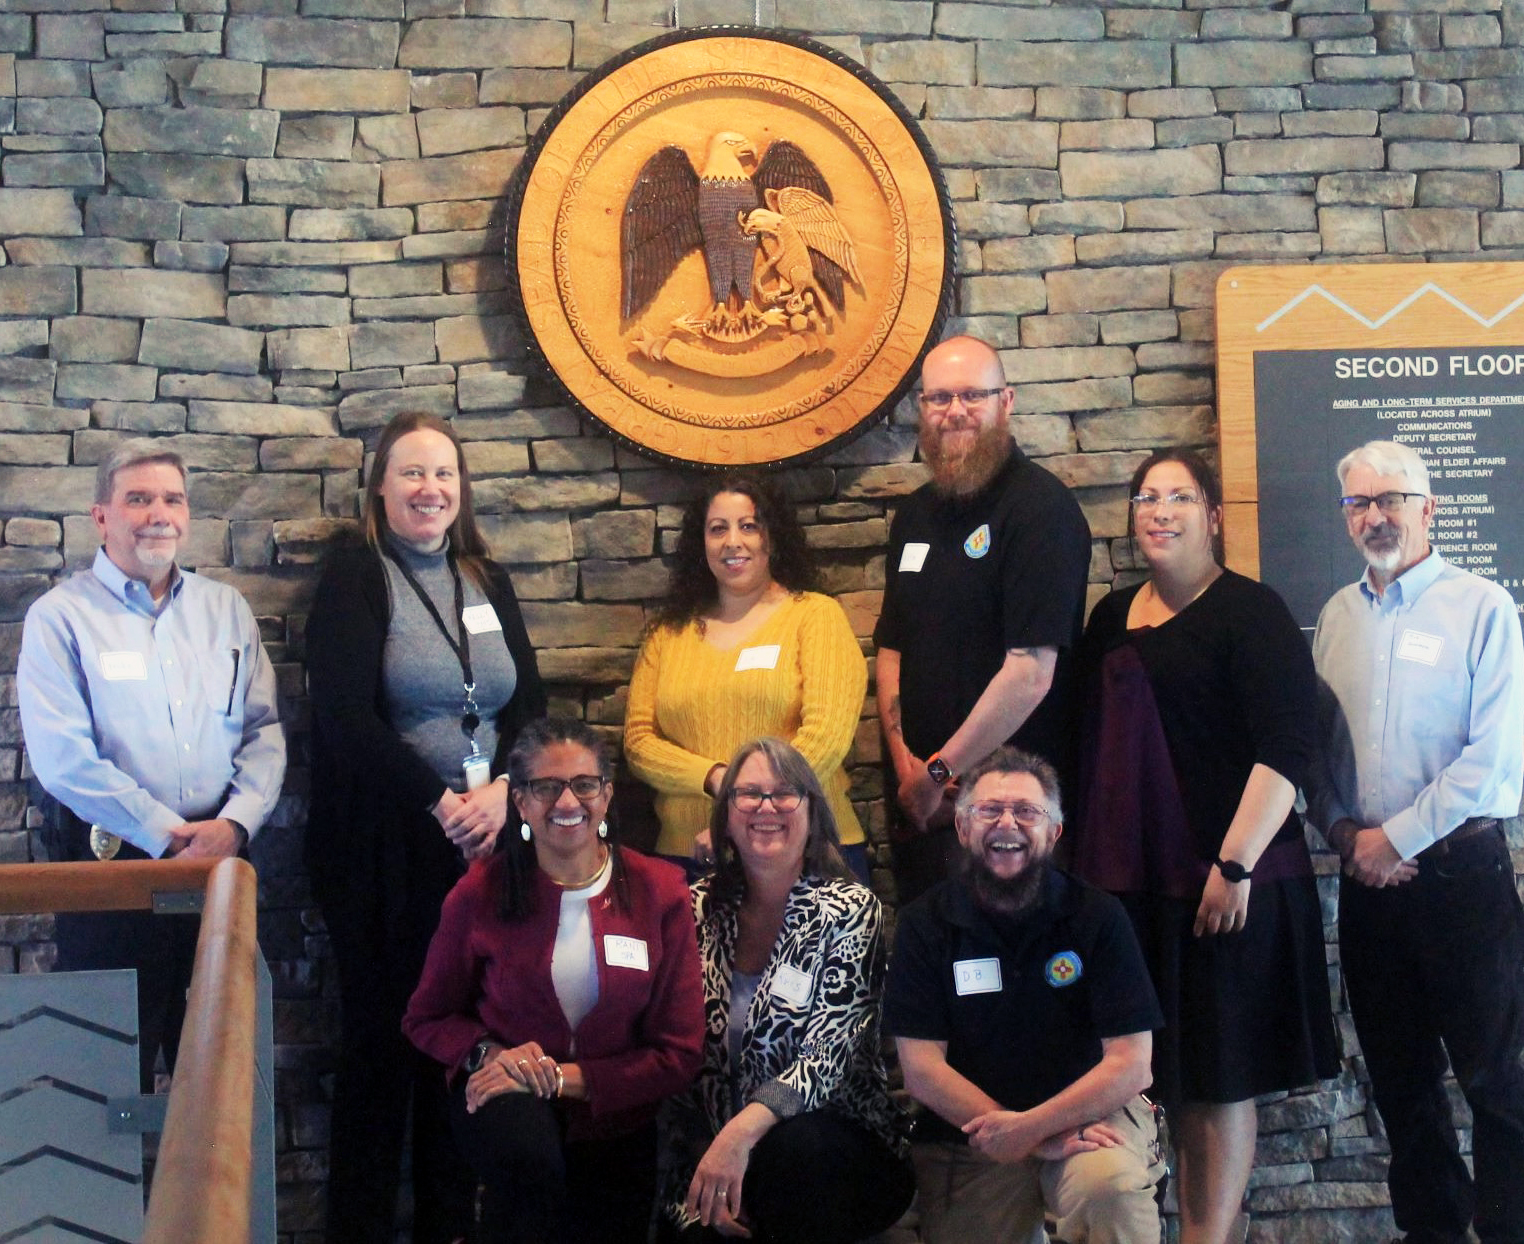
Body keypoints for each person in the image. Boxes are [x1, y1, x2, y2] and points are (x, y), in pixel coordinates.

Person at [1071, 448, 1339, 1244]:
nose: (1160, 511)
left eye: (1179, 497)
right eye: (1147, 497)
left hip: (1227, 887)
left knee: (1220, 1076)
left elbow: (1290, 746)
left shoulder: (1251, 612)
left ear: (1213, 516)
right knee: (1169, 1075)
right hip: (1131, 890)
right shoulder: (1109, 617)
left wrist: (1235, 864)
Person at [305, 410, 546, 1244]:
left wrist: (506, 790)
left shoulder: (486, 577)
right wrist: (442, 803)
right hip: (386, 854)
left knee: (465, 1051)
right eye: (411, 473)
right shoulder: (355, 574)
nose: (429, 490)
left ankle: (450, 1227)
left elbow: (532, 708)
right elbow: (341, 715)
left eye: (444, 474)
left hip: (487, 851)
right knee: (383, 1052)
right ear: (379, 485)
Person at [18, 438, 286, 1091]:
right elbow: (62, 758)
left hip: (222, 871)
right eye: (137, 498)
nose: (157, 513)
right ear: (101, 516)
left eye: (171, 498)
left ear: (188, 514)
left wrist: (237, 823)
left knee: (223, 1091)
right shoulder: (61, 618)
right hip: (112, 877)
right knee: (102, 1086)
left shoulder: (225, 611)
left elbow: (264, 730)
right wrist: (166, 833)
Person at [1308, 440, 1524, 1244]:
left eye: (1390, 499)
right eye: (1359, 503)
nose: (1374, 515)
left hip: (1462, 879)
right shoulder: (1334, 617)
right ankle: (1434, 1232)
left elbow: (1495, 759)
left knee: (1499, 1081)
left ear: (1429, 508)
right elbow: (1317, 751)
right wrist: (1344, 834)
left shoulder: (1483, 608)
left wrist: (1393, 838)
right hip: (1373, 893)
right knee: (1402, 1084)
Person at [403, 718, 705, 1244]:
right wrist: (490, 1053)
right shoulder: (480, 892)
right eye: (546, 787)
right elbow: (426, 1017)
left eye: (584, 784)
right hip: (509, 1109)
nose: (568, 802)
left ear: (607, 795)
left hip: (615, 1112)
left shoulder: (661, 891)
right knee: (528, 1171)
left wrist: (557, 1076)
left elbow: (679, 1054)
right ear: (519, 802)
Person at [884, 747, 1166, 1243]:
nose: (1007, 823)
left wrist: (1035, 1128)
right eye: (989, 810)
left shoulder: (1098, 917)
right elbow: (923, 1072)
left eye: (1027, 811)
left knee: (1110, 1189)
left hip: (1090, 1122)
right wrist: (1031, 1139)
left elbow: (1132, 1063)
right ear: (963, 828)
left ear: (1054, 832)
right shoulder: (923, 924)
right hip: (974, 1134)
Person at [661, 737, 914, 1243]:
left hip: (837, 1146)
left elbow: (825, 1059)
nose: (766, 807)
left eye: (784, 793)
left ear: (812, 810)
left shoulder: (849, 910)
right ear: (726, 814)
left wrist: (736, 1139)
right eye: (748, 793)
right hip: (716, 1151)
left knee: (795, 1151)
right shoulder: (694, 908)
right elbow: (673, 1050)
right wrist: (701, 1156)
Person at [874, 334, 1091, 903]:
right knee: (936, 969)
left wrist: (938, 773)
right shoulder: (913, 516)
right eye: (939, 398)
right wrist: (909, 774)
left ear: (1007, 401)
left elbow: (1030, 673)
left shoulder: (1042, 511)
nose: (955, 412)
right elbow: (892, 648)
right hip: (923, 812)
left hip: (1013, 819)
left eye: (973, 395)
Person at [624, 474, 870, 880]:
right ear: (700, 542)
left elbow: (826, 736)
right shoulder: (667, 634)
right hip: (688, 856)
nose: (732, 541)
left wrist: (744, 809)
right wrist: (717, 778)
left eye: (749, 526)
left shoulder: (815, 616)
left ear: (772, 538)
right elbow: (638, 743)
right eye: (718, 528)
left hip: (803, 850)